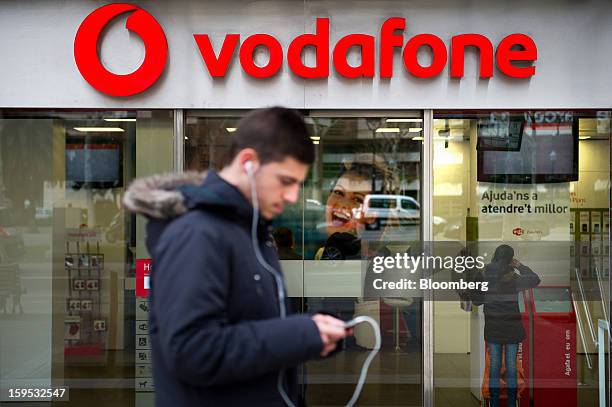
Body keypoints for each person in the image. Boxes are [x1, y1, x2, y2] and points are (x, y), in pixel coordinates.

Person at [124, 107, 350, 407]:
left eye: (299, 183)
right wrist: (300, 334)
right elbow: (193, 351)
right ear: (247, 163)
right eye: (285, 181)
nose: (293, 196)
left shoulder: (253, 234)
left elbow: (253, 330)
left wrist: (314, 334)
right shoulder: (197, 234)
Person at [473, 244, 540, 407]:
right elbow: (535, 279)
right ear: (510, 259)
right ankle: (511, 403)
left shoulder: (483, 273)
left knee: (495, 365)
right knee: (511, 365)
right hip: (512, 324)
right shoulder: (513, 277)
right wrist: (520, 266)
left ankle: (494, 403)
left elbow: (476, 300)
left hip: (493, 324)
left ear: (495, 255)